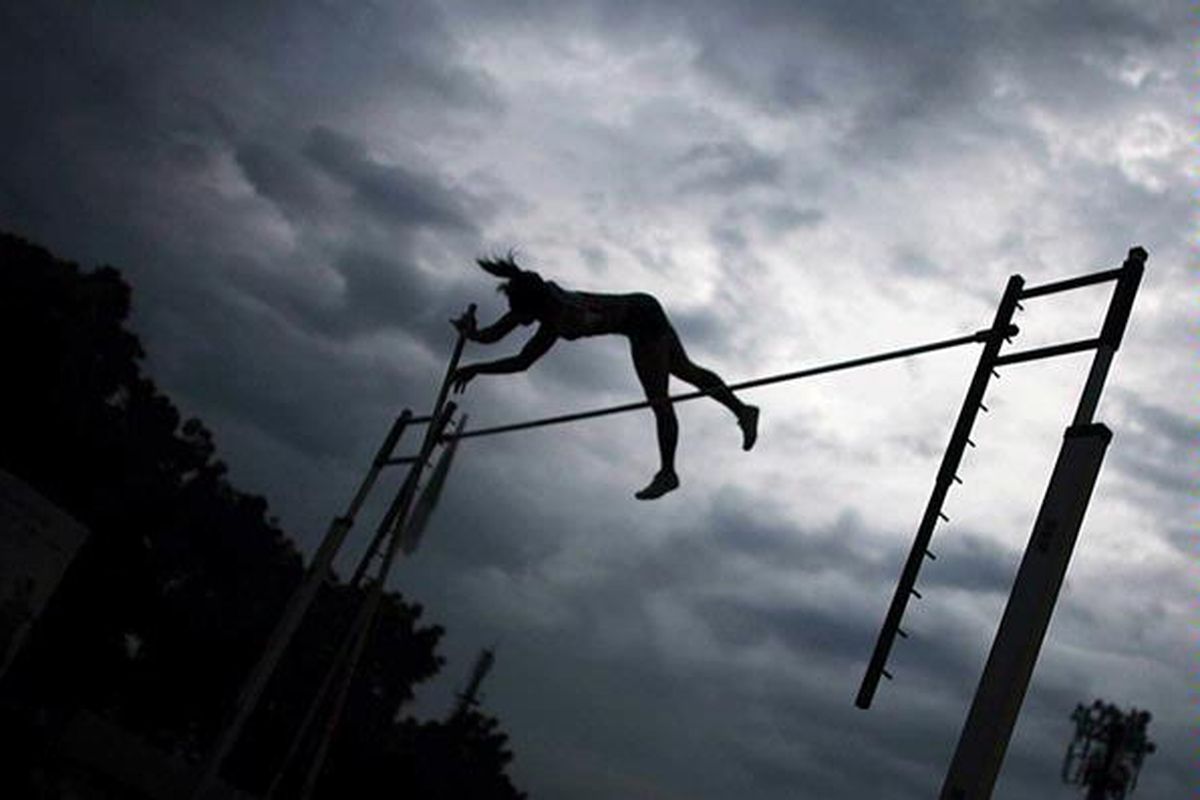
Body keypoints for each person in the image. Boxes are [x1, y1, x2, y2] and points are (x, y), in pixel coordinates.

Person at [451, 254, 759, 500]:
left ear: (534, 307)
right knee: (688, 372)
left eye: (521, 315)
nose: (519, 320)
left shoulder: (557, 316)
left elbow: (521, 361)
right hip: (642, 306)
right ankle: (742, 410)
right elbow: (499, 331)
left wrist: (478, 367)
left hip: (641, 321)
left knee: (659, 401)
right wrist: (473, 335)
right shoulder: (540, 301)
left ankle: (668, 473)